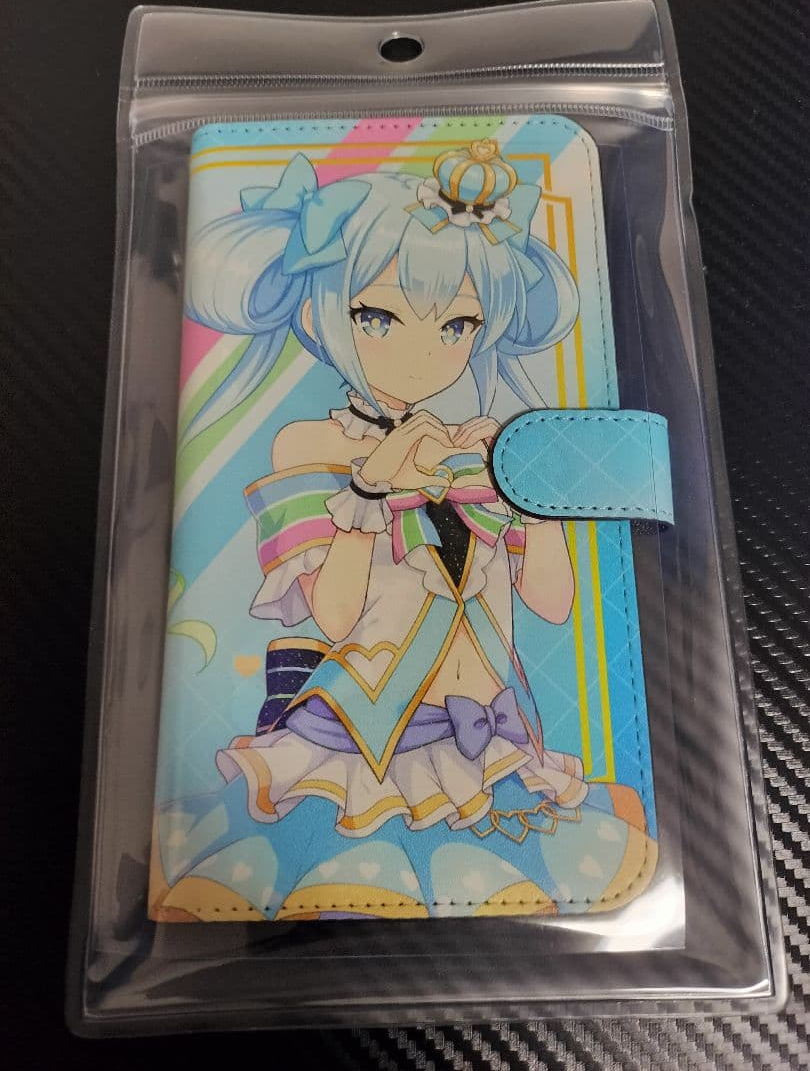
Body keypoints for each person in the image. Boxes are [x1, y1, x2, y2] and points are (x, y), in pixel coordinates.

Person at [150, 141, 656, 922]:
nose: (422, 355)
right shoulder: (309, 448)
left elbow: (552, 603)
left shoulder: (478, 453)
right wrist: (369, 488)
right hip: (361, 744)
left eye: (457, 325)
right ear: (320, 311)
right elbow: (334, 617)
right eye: (377, 316)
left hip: (490, 743)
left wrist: (530, 486)